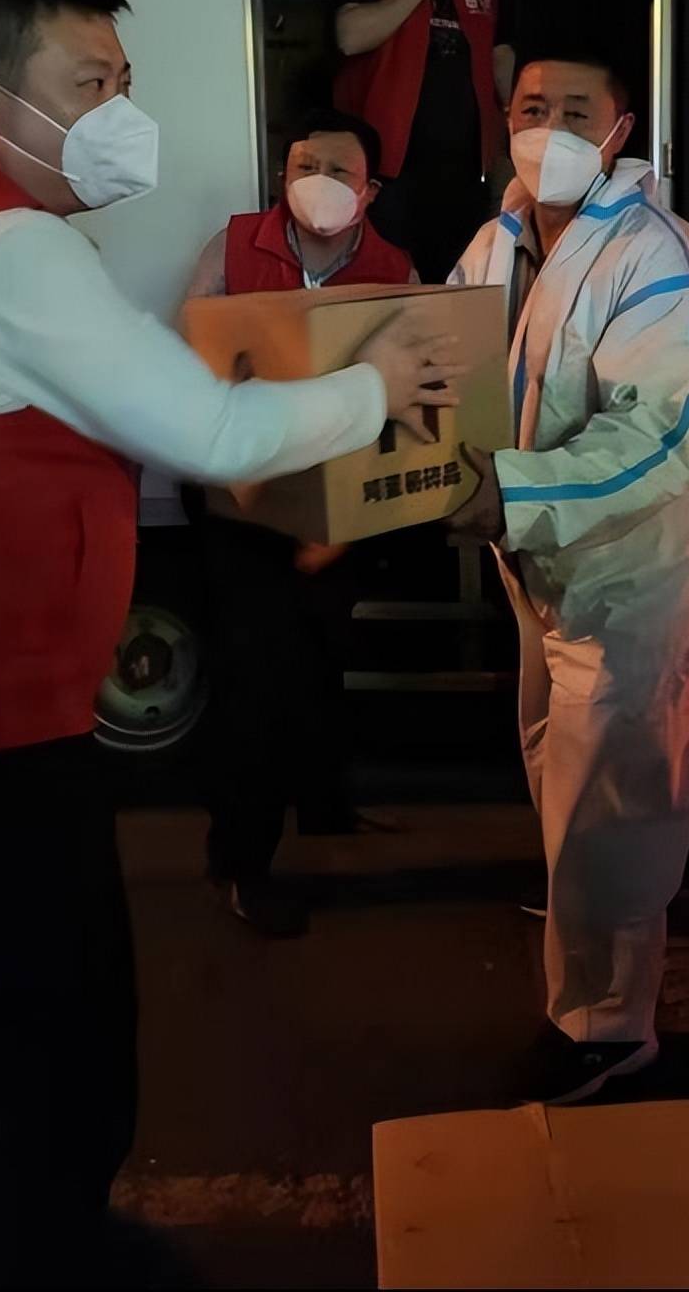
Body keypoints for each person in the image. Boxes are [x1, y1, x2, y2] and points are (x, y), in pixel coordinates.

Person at [0, 0, 458, 1279]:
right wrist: (379, 384)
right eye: (87, 84)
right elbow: (213, 430)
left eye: (124, 79)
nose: (120, 111)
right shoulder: (1, 248)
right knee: (45, 1107)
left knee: (22, 1087)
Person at [446, 48, 689, 1105]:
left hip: (623, 567)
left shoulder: (652, 251)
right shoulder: (496, 242)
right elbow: (446, 371)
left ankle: (607, 1031)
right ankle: (582, 933)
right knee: (558, 769)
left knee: (616, 797)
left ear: (618, 133)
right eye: (532, 106)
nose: (549, 128)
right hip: (534, 558)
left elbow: (654, 437)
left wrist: (507, 491)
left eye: (576, 111)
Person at [185, 110, 415, 939]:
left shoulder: (395, 269)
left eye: (337, 170)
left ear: (370, 190)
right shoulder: (233, 248)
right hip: (242, 503)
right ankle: (240, 865)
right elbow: (197, 363)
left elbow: (411, 405)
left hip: (340, 510)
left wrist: (346, 526)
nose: (316, 181)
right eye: (302, 165)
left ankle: (324, 807)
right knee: (254, 687)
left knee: (321, 663)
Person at [333, 0, 514, 283]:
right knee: (392, 283)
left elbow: (499, 54)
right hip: (389, 170)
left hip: (467, 170)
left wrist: (513, 128)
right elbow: (350, 37)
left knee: (462, 281)